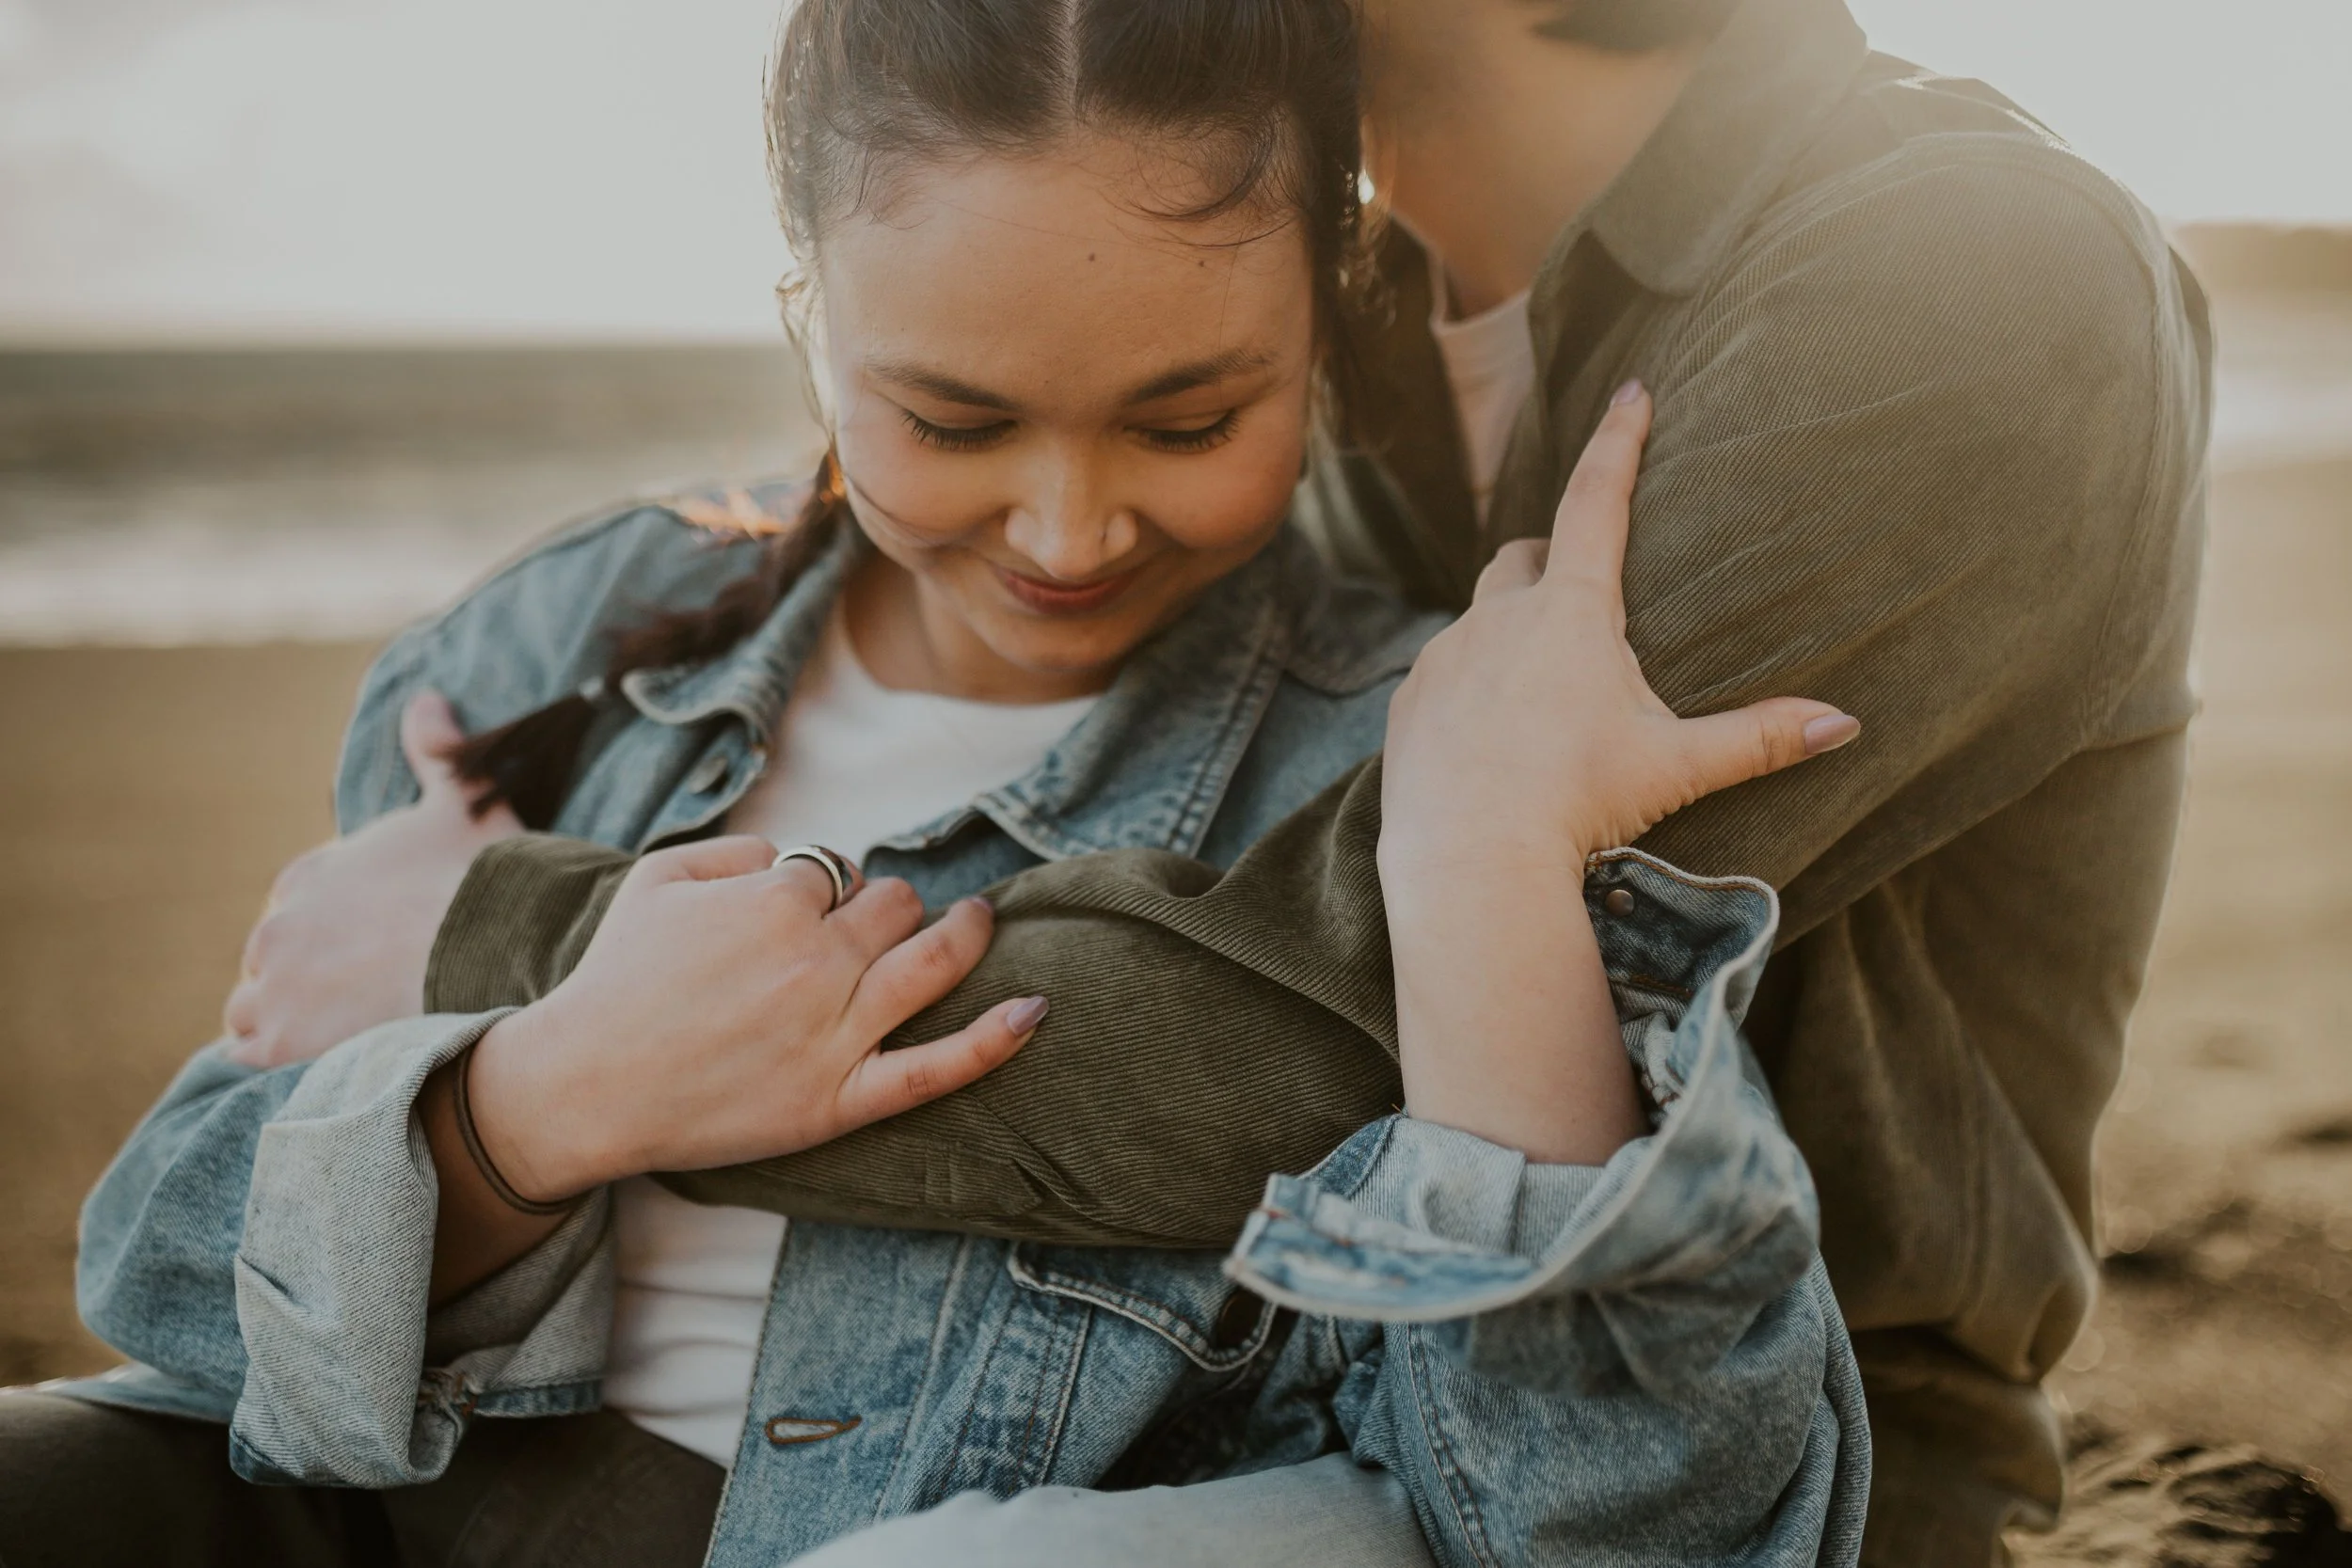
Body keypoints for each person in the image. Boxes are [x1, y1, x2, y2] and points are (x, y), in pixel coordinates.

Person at [290, 1, 2204, 1560]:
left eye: (1192, 413)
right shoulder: (1340, 301)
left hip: (1743, 1468)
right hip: (1246, 1392)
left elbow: (1330, 1009)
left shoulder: (1955, 275)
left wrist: (517, 969)